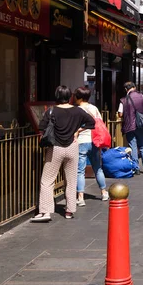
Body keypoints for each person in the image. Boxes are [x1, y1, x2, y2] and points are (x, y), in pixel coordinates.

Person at [31, 86, 95, 222]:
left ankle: (45, 211)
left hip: (55, 148)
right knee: (71, 180)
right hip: (72, 147)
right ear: (70, 96)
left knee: (47, 181)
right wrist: (78, 130)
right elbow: (91, 122)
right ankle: (69, 210)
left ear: (56, 96)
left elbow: (41, 127)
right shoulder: (78, 111)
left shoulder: (51, 111)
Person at [74, 87, 108, 207]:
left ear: (79, 97)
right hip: (94, 140)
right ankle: (104, 192)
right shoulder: (94, 108)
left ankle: (80, 197)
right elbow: (100, 124)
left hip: (81, 141)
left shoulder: (76, 110)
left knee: (80, 171)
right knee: (97, 168)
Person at [118, 82, 143, 175]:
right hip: (140, 125)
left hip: (129, 126)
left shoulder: (123, 100)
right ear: (134, 87)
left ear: (126, 89)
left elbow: (120, 114)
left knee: (133, 146)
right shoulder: (142, 97)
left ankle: (136, 168)